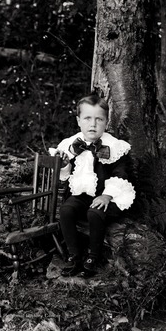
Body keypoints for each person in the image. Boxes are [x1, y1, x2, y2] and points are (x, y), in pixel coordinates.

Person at [50, 94, 135, 277]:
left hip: (106, 197)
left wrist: (107, 195)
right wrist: (65, 165)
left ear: (106, 122)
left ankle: (92, 256)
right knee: (66, 210)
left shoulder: (113, 146)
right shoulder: (71, 144)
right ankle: (74, 255)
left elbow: (121, 175)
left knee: (95, 212)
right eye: (87, 118)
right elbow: (64, 178)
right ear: (78, 121)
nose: (93, 124)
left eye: (99, 119)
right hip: (81, 195)